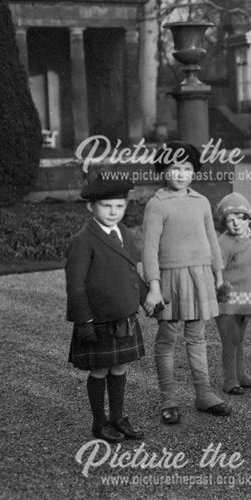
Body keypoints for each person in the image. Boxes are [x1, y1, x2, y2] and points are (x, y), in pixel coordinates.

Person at [141, 142, 231, 424]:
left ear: (195, 171)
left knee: (198, 337)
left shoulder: (202, 202)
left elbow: (212, 243)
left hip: (200, 276)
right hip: (169, 278)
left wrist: (219, 276)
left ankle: (203, 394)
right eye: (175, 168)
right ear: (163, 170)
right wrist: (154, 286)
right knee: (167, 339)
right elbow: (149, 250)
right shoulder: (157, 204)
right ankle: (168, 398)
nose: (181, 174)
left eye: (187, 168)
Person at [65, 177, 145, 443]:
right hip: (97, 319)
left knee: (120, 366)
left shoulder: (125, 233)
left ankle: (117, 418)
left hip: (124, 316)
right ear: (92, 207)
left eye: (119, 205)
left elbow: (132, 272)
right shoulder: (83, 240)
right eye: (106, 206)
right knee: (100, 370)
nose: (113, 211)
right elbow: (75, 285)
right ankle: (99, 423)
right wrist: (84, 320)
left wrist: (148, 299)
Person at [214, 192, 251, 395]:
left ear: (248, 218)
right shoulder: (224, 243)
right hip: (228, 301)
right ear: (224, 223)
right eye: (230, 220)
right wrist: (219, 287)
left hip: (246, 300)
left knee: (239, 339)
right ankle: (230, 380)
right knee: (230, 340)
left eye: (240, 218)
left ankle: (241, 375)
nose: (236, 224)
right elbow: (217, 269)